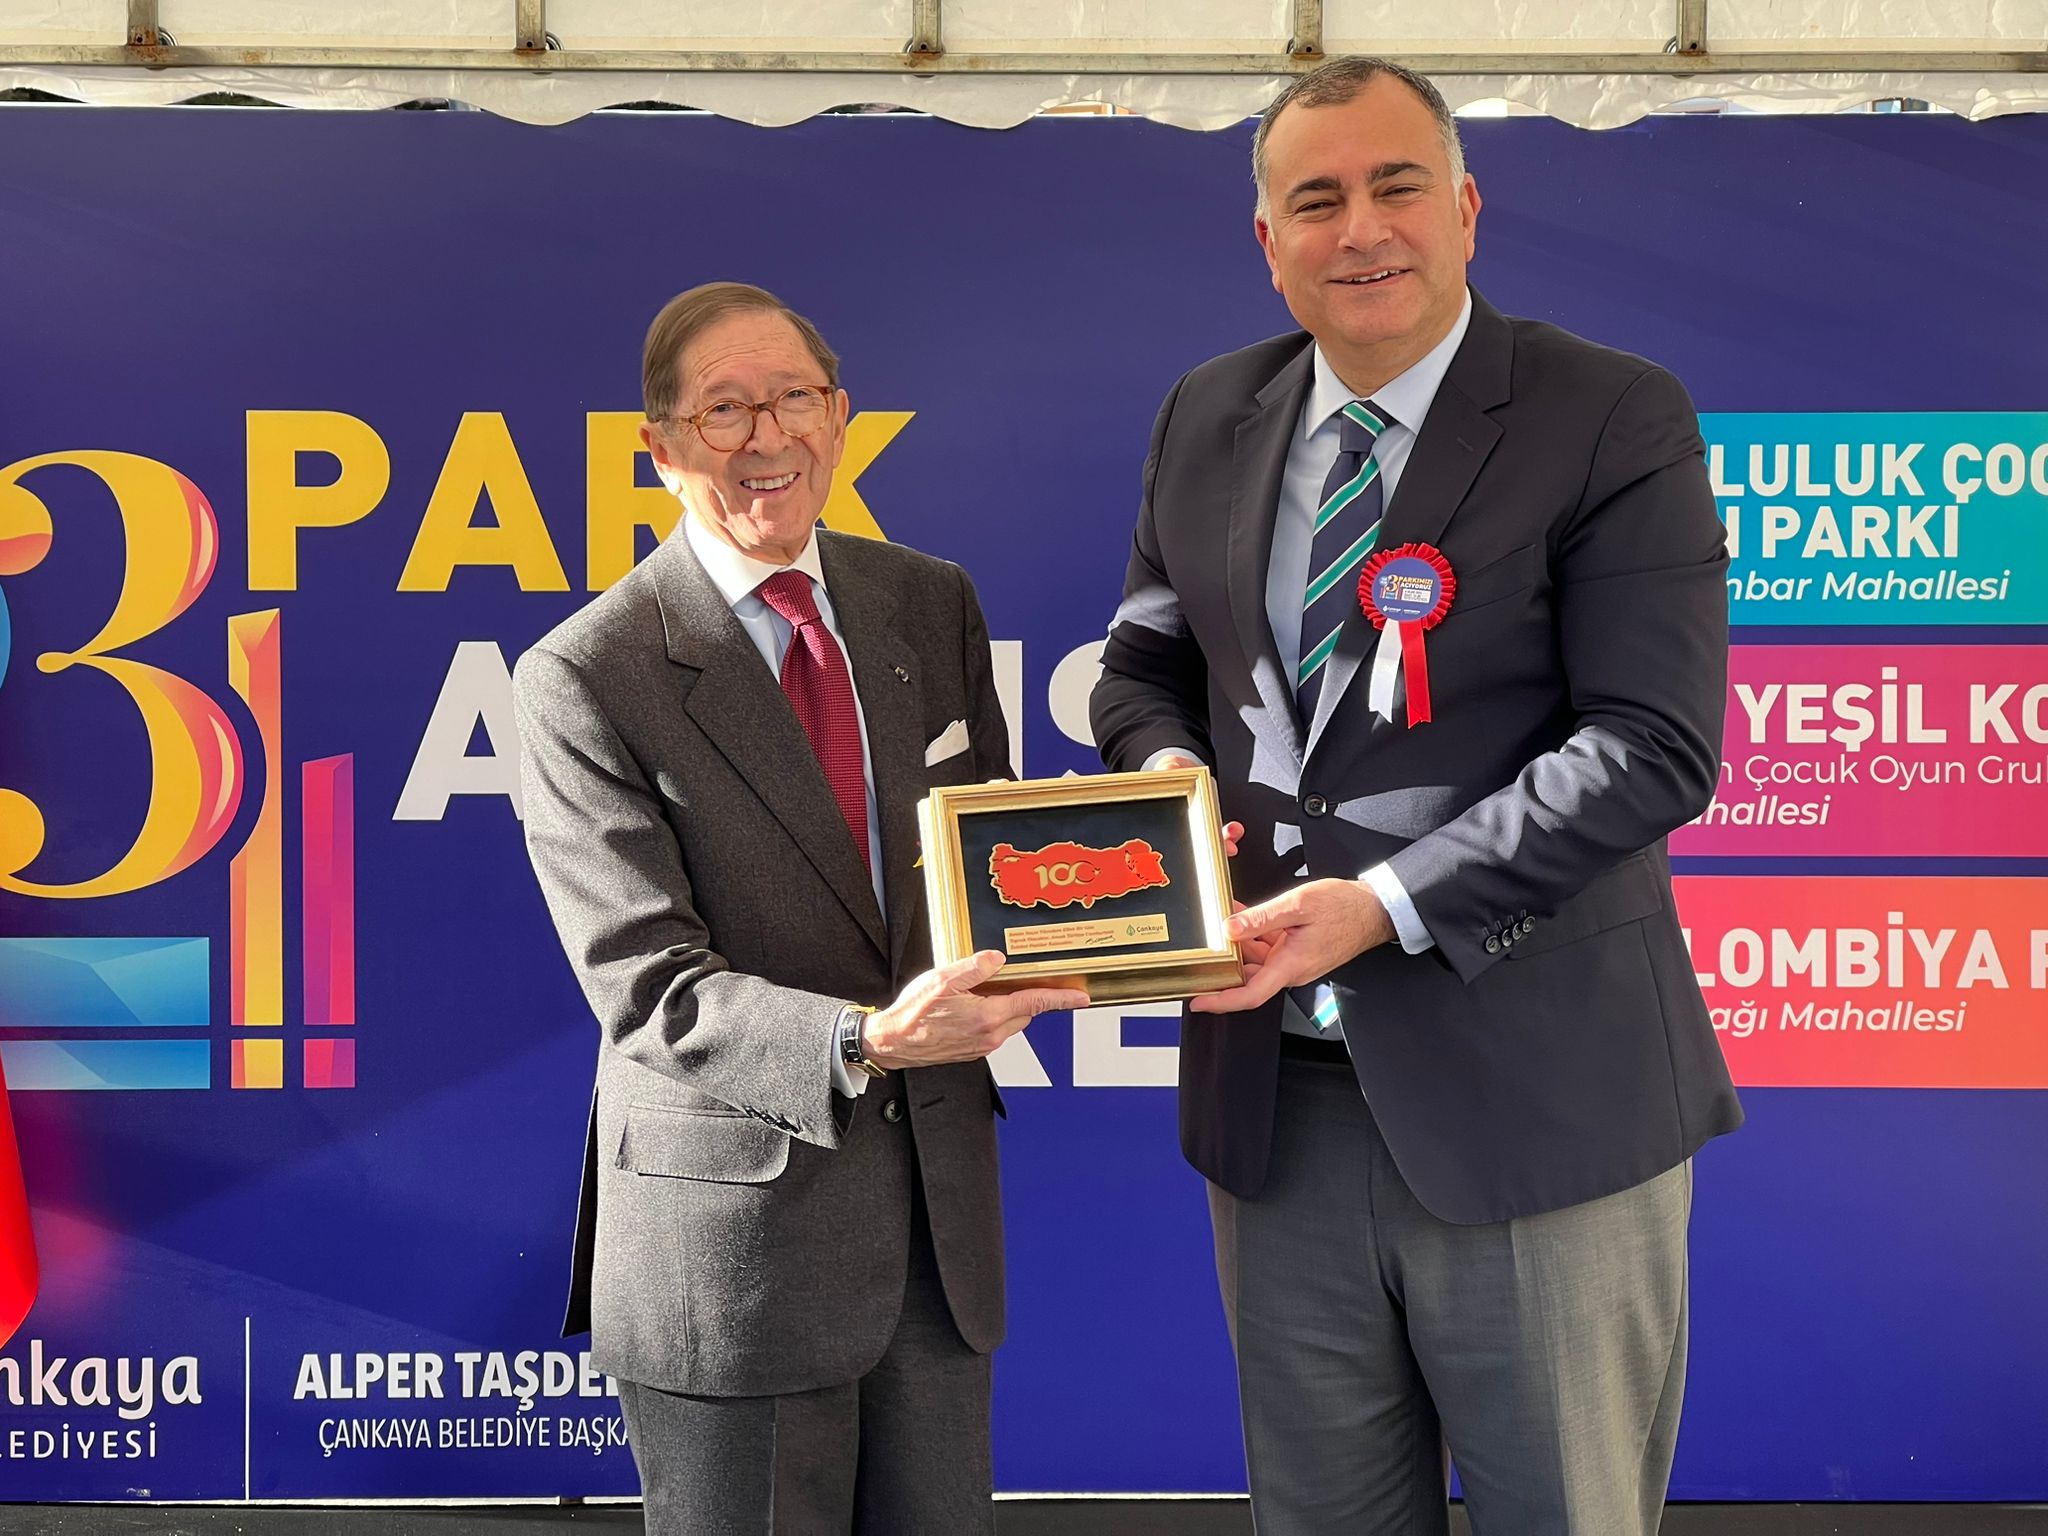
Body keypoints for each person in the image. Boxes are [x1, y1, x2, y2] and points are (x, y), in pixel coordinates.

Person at [1090, 57, 1743, 1534]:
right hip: (1280, 1116)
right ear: (1268, 241)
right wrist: (1170, 783)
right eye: (1314, 199)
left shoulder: (1611, 415)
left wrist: (1381, 907)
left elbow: (1651, 743)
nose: (1359, 228)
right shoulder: (1208, 413)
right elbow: (1137, 671)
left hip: (1536, 1105)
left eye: (1396, 187)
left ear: (1465, 210)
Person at [514, 281, 1084, 1533]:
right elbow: (647, 985)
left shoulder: (924, 604)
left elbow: (986, 866)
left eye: (794, 400)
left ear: (841, 417)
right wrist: (864, 1039)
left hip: (936, 1241)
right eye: (724, 411)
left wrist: (1128, 902)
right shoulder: (583, 674)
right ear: (657, 447)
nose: (768, 438)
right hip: (732, 1258)